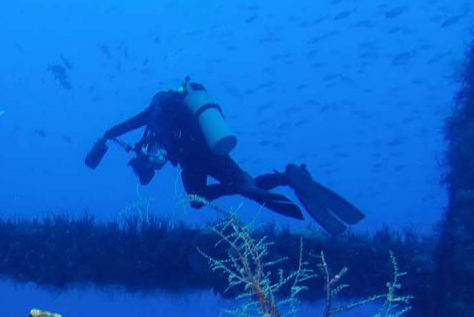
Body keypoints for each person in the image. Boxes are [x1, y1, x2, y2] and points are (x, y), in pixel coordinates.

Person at [84, 78, 366, 235]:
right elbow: (128, 130)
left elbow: (129, 128)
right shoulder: (168, 112)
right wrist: (108, 134)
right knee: (247, 184)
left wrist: (107, 136)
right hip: (213, 151)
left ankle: (246, 185)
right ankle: (283, 177)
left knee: (197, 199)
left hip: (194, 160)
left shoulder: (153, 117)